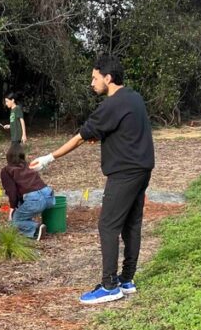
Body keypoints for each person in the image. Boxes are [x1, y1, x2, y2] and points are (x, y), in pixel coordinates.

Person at [31, 54, 154, 305]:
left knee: (107, 225)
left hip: (124, 172)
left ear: (108, 78)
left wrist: (48, 158)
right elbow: (125, 130)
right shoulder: (134, 97)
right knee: (131, 224)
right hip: (142, 169)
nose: (92, 83)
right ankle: (126, 279)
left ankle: (109, 285)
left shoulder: (111, 105)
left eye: (95, 78)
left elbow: (79, 137)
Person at [0, 144, 53, 240]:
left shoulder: (6, 171)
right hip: (49, 196)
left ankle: (35, 228)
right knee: (24, 209)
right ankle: (33, 226)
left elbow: (12, 192)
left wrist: (12, 208)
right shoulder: (28, 166)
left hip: (35, 200)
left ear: (8, 156)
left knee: (15, 221)